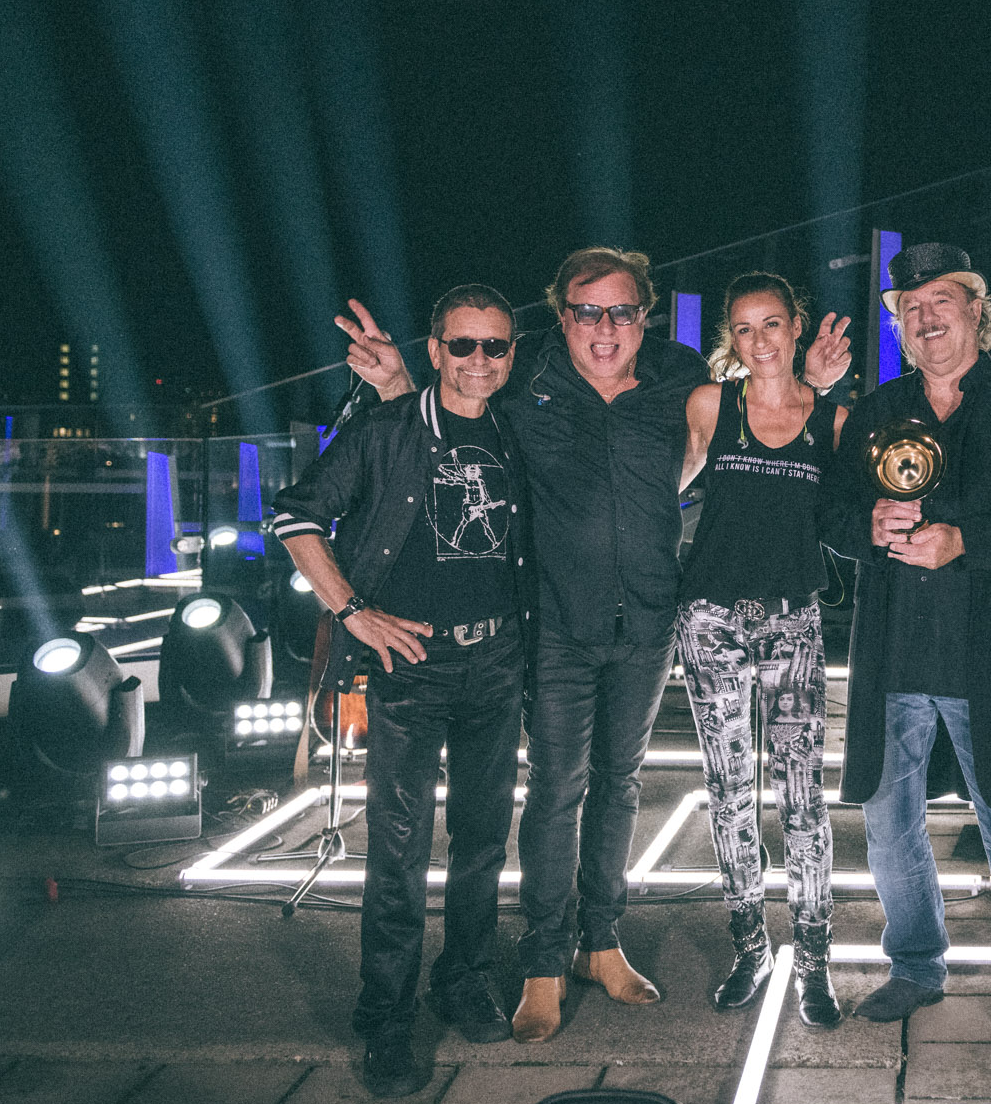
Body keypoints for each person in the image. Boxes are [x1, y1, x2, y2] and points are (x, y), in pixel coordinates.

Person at [335, 250, 853, 1042]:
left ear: (644, 316)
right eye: (586, 311)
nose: (604, 328)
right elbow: (454, 415)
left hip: (647, 620)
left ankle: (600, 944)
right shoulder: (524, 379)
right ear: (563, 316)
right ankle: (543, 962)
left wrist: (814, 380)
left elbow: (760, 417)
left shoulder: (681, 380)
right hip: (556, 624)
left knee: (620, 785)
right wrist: (398, 386)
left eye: (621, 311)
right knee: (557, 789)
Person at [818, 241, 991, 1083]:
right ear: (898, 324)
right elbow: (831, 508)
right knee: (888, 822)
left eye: (941, 300)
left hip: (989, 650)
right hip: (893, 646)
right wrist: (865, 525)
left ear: (976, 308)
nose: (925, 317)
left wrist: (965, 538)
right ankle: (916, 966)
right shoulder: (877, 410)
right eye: (910, 307)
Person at [274, 285, 532, 1098]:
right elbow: (295, 519)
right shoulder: (385, 431)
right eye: (463, 344)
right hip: (410, 667)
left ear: (511, 354)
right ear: (435, 348)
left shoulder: (515, 431)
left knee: (483, 840)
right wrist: (353, 611)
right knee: (399, 847)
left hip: (498, 661)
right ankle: (386, 1014)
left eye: (495, 345)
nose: (479, 360)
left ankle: (464, 979)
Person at [675, 272, 849, 1027]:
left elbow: (856, 507)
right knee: (729, 793)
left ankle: (813, 961)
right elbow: (660, 491)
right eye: (743, 328)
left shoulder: (831, 420)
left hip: (791, 620)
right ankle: (750, 947)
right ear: (731, 338)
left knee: (803, 800)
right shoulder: (712, 405)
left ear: (795, 326)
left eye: (771, 324)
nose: (759, 340)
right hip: (710, 618)